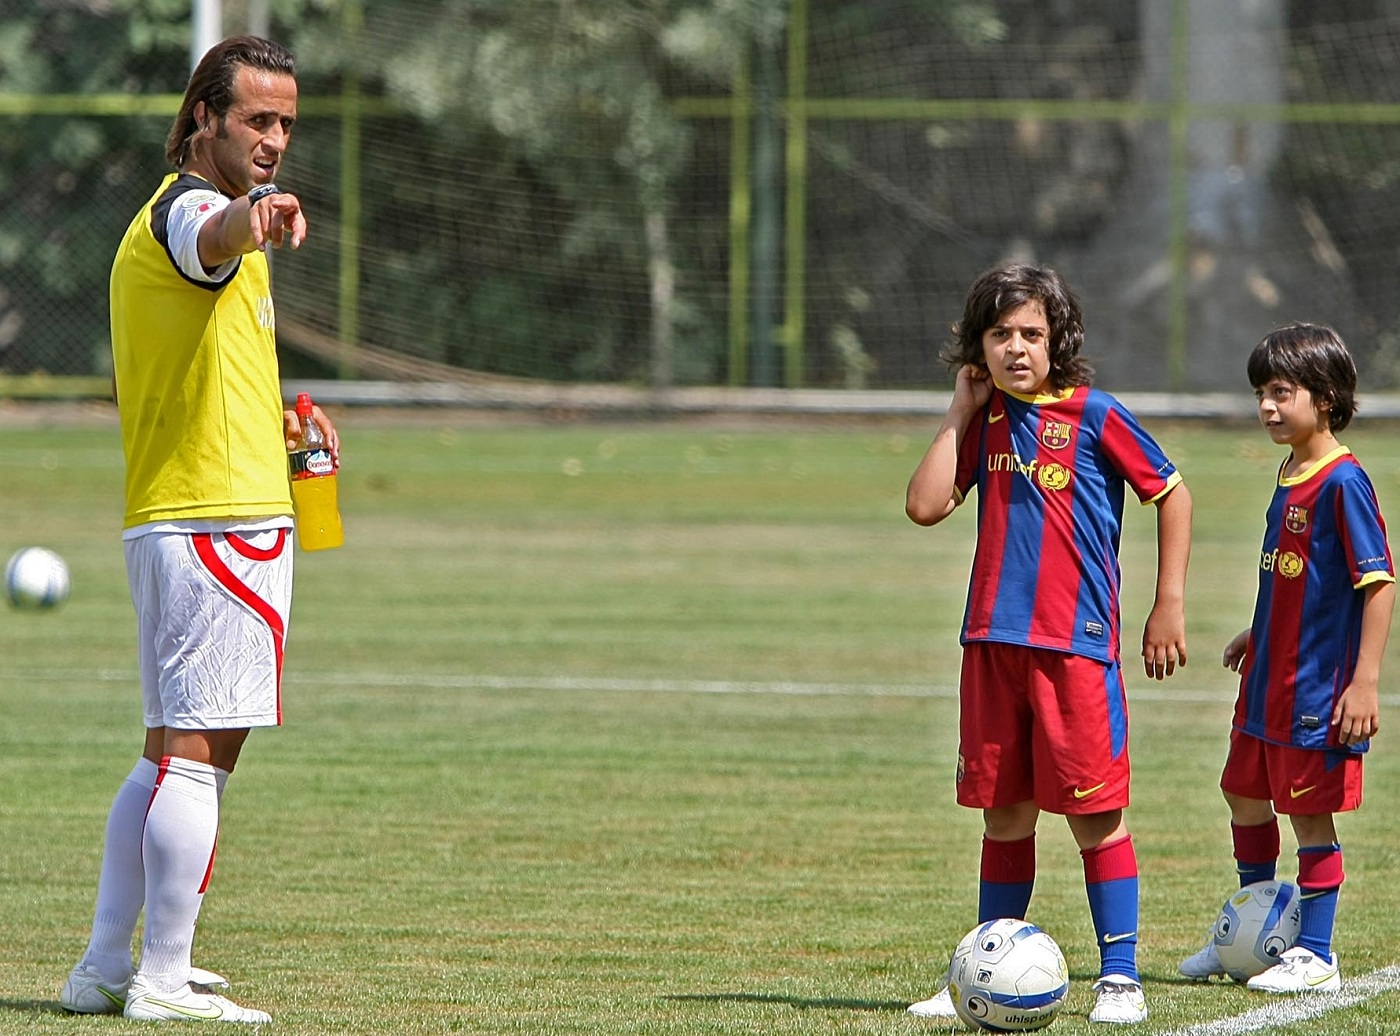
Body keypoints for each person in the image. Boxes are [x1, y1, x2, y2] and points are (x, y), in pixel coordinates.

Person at [60, 35, 338, 1024]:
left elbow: (210, 356)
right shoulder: (190, 215)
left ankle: (102, 965)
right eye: (256, 120)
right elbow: (212, 235)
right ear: (201, 121)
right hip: (217, 524)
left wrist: (290, 440)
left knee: (170, 752)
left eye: (286, 125)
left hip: (188, 515)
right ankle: (163, 979)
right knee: (195, 754)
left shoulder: (195, 226)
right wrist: (252, 216)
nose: (273, 140)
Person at [903, 263, 1192, 1025]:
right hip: (992, 643)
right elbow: (926, 506)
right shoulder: (986, 419)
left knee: (1096, 816)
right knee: (1004, 816)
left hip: (1075, 647)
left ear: (1057, 339)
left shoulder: (1096, 414)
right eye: (1000, 334)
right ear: (979, 347)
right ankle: (983, 964)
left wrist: (1167, 604)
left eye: (1032, 333)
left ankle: (1121, 977)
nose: (1016, 348)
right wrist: (958, 412)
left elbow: (1172, 492)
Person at [1178, 323, 1393, 993]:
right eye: (1260, 394)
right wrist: (1256, 628)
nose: (1267, 406)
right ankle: (1255, 933)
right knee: (1242, 792)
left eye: (1281, 392)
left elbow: (1377, 582)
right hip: (1268, 673)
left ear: (1324, 398)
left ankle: (1317, 954)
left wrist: (1363, 683)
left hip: (1316, 687)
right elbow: (1299, 574)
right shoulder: (1290, 468)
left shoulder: (1343, 481)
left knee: (1307, 814)